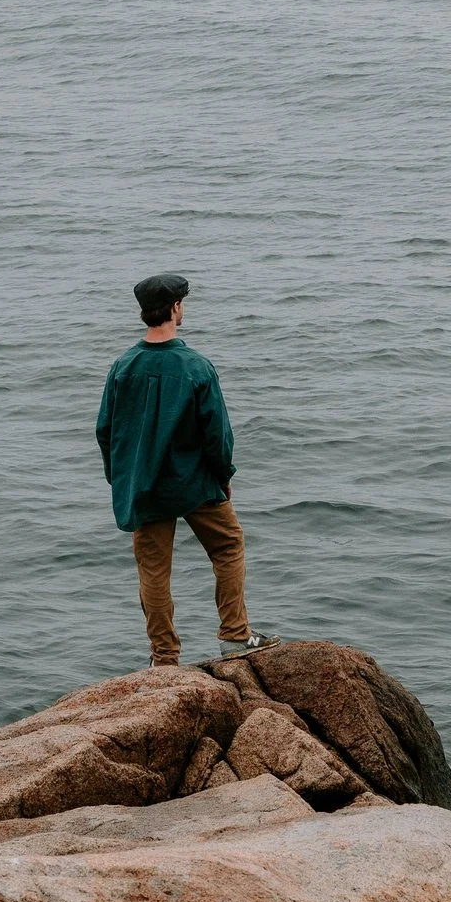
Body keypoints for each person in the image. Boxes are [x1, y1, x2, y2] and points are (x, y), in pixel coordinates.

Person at [95, 273, 278, 666]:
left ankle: (164, 658)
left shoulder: (122, 367)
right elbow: (218, 434)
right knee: (228, 547)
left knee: (154, 570)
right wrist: (223, 477)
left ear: (145, 313)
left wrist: (120, 479)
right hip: (194, 482)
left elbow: (106, 431)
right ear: (176, 309)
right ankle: (234, 635)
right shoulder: (196, 367)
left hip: (144, 485)